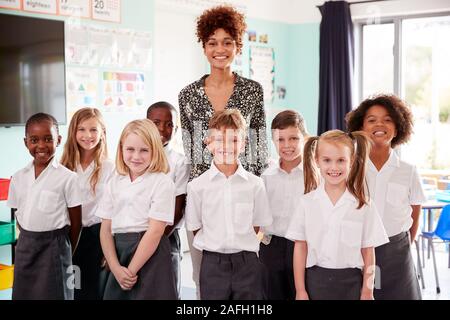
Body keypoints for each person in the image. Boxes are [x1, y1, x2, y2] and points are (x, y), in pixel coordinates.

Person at [179, 5, 269, 297]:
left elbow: (259, 145)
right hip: (206, 200)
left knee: (246, 287)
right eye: (212, 42)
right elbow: (192, 149)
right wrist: (210, 185)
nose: (220, 49)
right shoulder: (188, 95)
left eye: (227, 42)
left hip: (243, 196)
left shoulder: (253, 90)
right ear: (204, 47)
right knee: (207, 283)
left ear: (237, 46)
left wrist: (243, 187)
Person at [286, 130, 389, 300]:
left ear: (352, 161)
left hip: (352, 284)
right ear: (317, 161)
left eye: (341, 160)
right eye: (327, 160)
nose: (334, 167)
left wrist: (368, 291)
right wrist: (300, 290)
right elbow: (300, 248)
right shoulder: (306, 203)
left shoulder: (365, 205)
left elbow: (369, 253)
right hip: (315, 282)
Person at [185, 109, 272, 300]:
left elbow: (258, 225)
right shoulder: (197, 187)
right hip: (212, 264)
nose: (226, 146)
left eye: (234, 140)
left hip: (248, 263)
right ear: (208, 143)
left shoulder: (255, 184)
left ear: (243, 145)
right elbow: (195, 227)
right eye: (219, 139)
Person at [346, 94, 426, 300]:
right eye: (371, 120)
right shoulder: (349, 168)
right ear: (360, 128)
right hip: (359, 249)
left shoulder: (408, 171)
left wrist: (404, 244)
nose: (379, 124)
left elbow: (415, 213)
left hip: (397, 253)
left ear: (398, 127)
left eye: (387, 119)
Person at [96, 119, 177, 300]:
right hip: (118, 252)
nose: (136, 156)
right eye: (130, 149)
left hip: (150, 253)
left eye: (144, 150)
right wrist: (116, 268)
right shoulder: (114, 181)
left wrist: (130, 271)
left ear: (155, 150)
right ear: (121, 149)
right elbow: (105, 229)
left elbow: (155, 231)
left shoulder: (161, 182)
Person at [7, 113, 82, 300]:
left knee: (57, 295)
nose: (41, 145)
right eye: (34, 140)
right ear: (26, 143)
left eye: (48, 139)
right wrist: (26, 241)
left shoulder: (68, 178)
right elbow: (19, 215)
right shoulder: (18, 177)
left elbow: (76, 223)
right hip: (26, 248)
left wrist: (63, 250)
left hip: (55, 248)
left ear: (58, 140)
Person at [61, 107, 114, 300]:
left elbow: (115, 211)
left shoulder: (110, 168)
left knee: (93, 291)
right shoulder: (64, 167)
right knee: (70, 289)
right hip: (70, 237)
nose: (87, 135)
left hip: (98, 237)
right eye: (81, 129)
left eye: (93, 130)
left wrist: (110, 251)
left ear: (102, 133)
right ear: (73, 132)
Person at [260, 110, 308, 300]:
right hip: (272, 247)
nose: (287, 145)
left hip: (304, 246)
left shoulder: (315, 175)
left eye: (294, 138)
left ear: (304, 137)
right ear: (273, 141)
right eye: (280, 140)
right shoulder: (266, 177)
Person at [146, 101, 190, 300]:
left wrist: (156, 238)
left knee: (167, 291)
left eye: (169, 124)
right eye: (156, 122)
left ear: (177, 128)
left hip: (166, 237)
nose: (163, 128)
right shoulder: (135, 156)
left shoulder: (179, 162)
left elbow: (179, 209)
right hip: (133, 235)